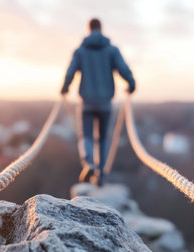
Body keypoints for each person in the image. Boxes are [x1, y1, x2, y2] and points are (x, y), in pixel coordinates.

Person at [61, 18, 136, 186]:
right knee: (102, 139)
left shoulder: (80, 51)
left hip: (86, 102)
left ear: (88, 29)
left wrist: (65, 87)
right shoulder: (111, 50)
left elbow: (71, 71)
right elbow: (123, 68)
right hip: (105, 103)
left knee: (86, 136)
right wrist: (131, 83)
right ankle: (100, 174)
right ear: (101, 29)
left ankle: (89, 164)